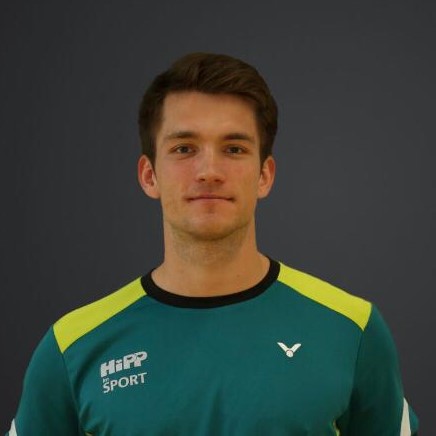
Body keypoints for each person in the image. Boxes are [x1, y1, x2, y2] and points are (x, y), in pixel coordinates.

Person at [7, 53, 418, 435]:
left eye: (234, 149)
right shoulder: (72, 347)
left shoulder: (352, 330)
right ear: (149, 175)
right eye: (184, 148)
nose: (209, 171)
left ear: (265, 176)